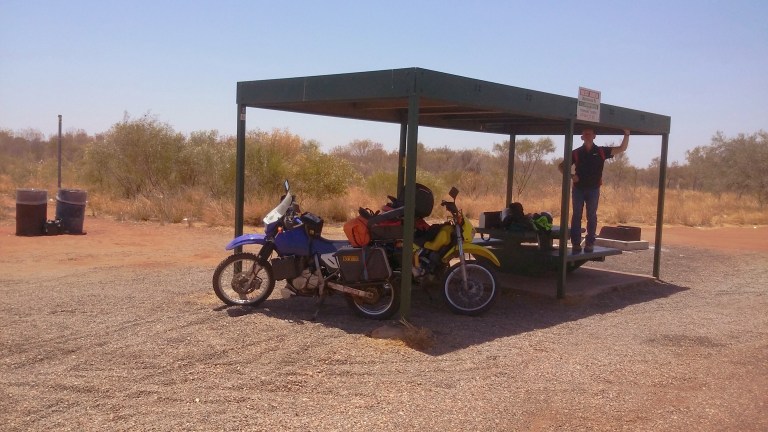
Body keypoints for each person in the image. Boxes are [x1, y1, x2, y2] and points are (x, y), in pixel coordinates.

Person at [558, 128, 630, 253]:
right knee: (576, 216)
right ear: (581, 137)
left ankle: (590, 243)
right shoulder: (576, 153)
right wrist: (570, 176)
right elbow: (561, 166)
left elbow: (622, 148)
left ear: (594, 136)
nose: (587, 135)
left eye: (589, 133)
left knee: (591, 216)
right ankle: (576, 243)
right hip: (578, 189)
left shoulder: (601, 151)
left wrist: (626, 134)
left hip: (594, 189)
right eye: (585, 134)